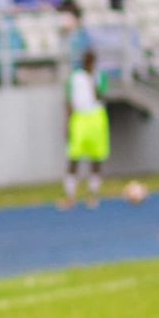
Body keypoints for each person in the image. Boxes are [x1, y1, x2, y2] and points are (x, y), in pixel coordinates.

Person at [63, 50, 109, 210]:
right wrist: (67, 122)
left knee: (96, 157)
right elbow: (68, 100)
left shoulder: (100, 76)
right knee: (73, 156)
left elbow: (100, 95)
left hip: (96, 117)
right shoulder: (74, 77)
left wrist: (92, 79)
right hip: (79, 118)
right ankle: (70, 196)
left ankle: (93, 194)